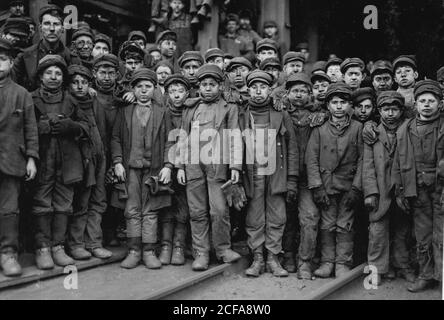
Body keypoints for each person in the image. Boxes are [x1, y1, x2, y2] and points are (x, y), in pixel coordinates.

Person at [176, 64, 242, 271]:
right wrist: (179, 165)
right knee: (197, 211)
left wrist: (235, 166)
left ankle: (223, 249)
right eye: (203, 84)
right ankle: (201, 253)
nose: (207, 88)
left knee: (219, 210)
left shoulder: (229, 107)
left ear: (220, 86)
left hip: (218, 166)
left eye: (212, 84)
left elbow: (235, 137)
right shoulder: (191, 108)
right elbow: (182, 137)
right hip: (194, 165)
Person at [111, 68, 174, 269]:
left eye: (148, 86)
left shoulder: (162, 113)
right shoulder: (125, 111)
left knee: (151, 210)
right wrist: (118, 161)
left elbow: (169, 141)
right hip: (130, 170)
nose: (144, 91)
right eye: (139, 87)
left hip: (153, 170)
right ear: (133, 89)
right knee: (131, 209)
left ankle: (148, 251)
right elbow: (116, 138)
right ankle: (133, 250)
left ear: (155, 89)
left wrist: (168, 166)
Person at [31, 55, 89, 270]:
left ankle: (58, 247)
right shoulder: (31, 98)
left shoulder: (71, 100)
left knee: (64, 203)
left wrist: (72, 126)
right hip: (43, 159)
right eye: (49, 73)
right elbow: (23, 128)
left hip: (68, 161)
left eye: (58, 73)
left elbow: (86, 127)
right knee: (42, 203)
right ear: (40, 76)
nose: (54, 77)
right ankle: (43, 248)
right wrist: (41, 128)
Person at [239, 70, 298, 278]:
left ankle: (273, 257)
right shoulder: (241, 113)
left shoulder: (281, 114)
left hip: (276, 173)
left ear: (270, 90)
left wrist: (291, 179)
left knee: (277, 215)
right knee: (254, 216)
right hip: (252, 172)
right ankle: (257, 258)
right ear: (248, 90)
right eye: (253, 87)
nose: (258, 92)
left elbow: (292, 148)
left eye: (262, 87)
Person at [306, 82, 363, 278]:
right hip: (326, 186)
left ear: (350, 106)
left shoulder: (358, 127)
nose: (339, 106)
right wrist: (316, 186)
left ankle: (343, 263)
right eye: (334, 102)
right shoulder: (319, 128)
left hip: (348, 186)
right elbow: (311, 159)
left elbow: (364, 159)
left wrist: (356, 188)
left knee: (345, 224)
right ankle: (327, 261)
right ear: (328, 105)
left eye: (343, 102)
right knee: (327, 224)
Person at [391, 80, 443, 292]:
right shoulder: (406, 129)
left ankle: (442, 277)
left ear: (440, 104)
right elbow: (398, 163)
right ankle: (426, 274)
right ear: (416, 104)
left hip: (441, 189)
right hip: (418, 189)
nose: (427, 104)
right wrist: (401, 191)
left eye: (432, 100)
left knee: (442, 233)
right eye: (422, 101)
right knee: (423, 235)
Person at [363, 90, 415, 286]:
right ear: (379, 111)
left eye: (394, 109)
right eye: (386, 109)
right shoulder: (372, 133)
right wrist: (370, 192)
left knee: (403, 230)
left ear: (402, 110)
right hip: (381, 190)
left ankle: (402, 266)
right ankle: (376, 270)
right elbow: (367, 165)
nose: (390, 113)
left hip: (402, 189)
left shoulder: (409, 129)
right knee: (377, 231)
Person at [280, 73, 327, 278]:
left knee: (309, 218)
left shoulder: (317, 115)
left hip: (308, 179)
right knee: (286, 219)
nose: (298, 95)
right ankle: (288, 255)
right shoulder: (281, 114)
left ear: (310, 94)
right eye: (294, 91)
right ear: (287, 93)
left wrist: (324, 115)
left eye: (303, 91)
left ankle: (305, 262)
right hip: (283, 177)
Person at [0, 38, 38, 277]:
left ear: (11, 62)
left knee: (9, 210)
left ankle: (8, 253)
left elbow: (30, 129)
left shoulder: (22, 94)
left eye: (2, 59)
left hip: (12, 161)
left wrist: (32, 158)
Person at [67, 64, 113, 260]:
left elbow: (105, 134)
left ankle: (94, 242)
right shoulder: (68, 104)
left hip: (99, 159)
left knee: (98, 201)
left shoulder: (96, 104)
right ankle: (76, 244)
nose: (79, 86)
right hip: (81, 162)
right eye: (75, 82)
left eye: (84, 82)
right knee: (81, 202)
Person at [158, 74, 191, 265]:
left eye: (180, 91)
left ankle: (179, 246)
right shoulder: (163, 113)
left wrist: (180, 166)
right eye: (172, 91)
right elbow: (164, 141)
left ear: (187, 93)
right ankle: (165, 245)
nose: (176, 95)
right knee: (166, 206)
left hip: (185, 167)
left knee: (183, 207)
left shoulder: (191, 112)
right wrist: (168, 165)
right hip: (165, 165)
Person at [12, 4, 81, 91]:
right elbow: (13, 88)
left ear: (63, 28)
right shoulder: (24, 57)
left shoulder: (73, 59)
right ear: (40, 28)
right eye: (47, 24)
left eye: (56, 24)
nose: (52, 29)